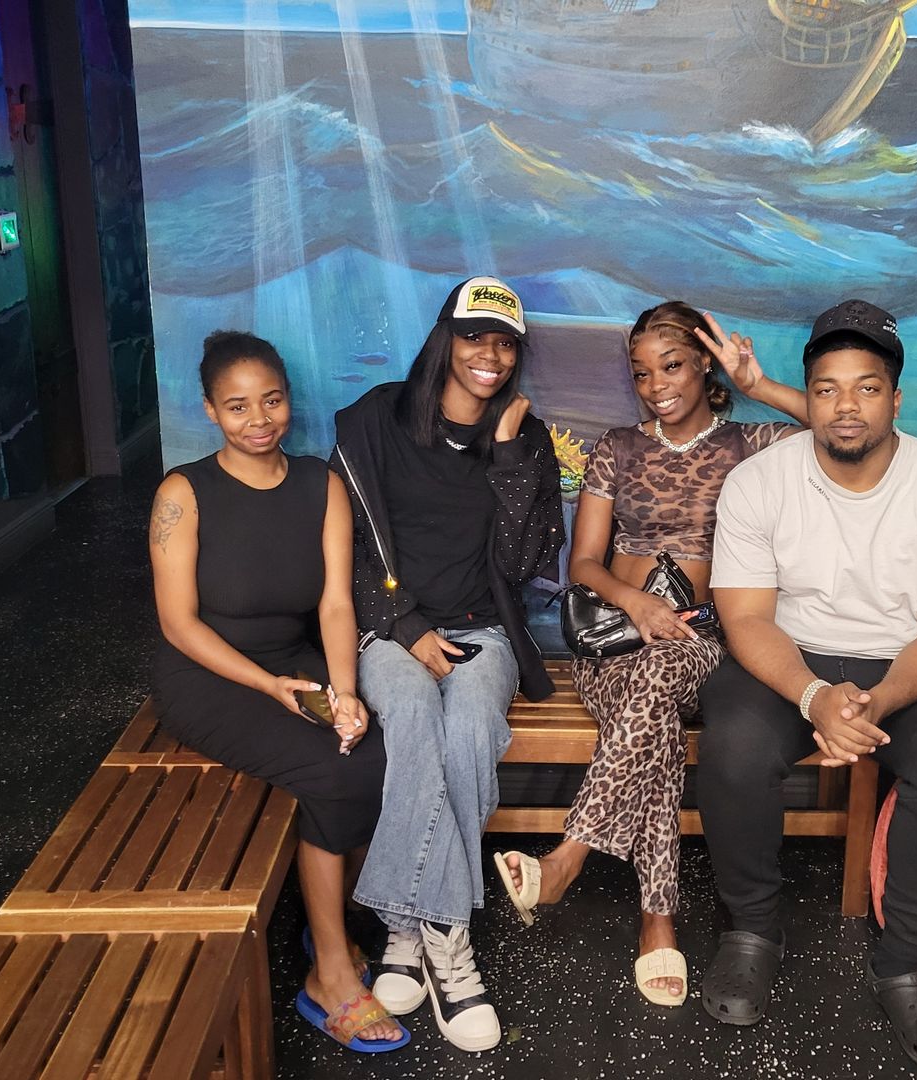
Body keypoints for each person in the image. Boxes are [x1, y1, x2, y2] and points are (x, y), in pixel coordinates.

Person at [698, 300, 917, 1067]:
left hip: (906, 664)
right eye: (827, 388)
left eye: (866, 388)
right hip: (790, 656)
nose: (845, 406)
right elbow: (746, 618)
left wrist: (874, 704)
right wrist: (813, 698)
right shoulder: (757, 483)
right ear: (809, 397)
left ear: (895, 399)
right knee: (733, 742)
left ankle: (904, 960)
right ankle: (752, 930)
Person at [491, 301, 808, 1008]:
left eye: (672, 366)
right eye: (641, 373)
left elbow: (845, 430)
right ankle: (657, 922)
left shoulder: (750, 443)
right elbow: (585, 563)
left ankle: (568, 858)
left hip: (700, 644)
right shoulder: (617, 448)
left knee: (664, 671)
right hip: (611, 643)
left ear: (704, 366)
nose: (656, 385)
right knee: (653, 717)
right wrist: (636, 604)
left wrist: (757, 384)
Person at [148, 331, 406, 1053]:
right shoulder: (182, 494)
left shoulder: (321, 485)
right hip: (208, 674)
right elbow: (177, 622)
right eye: (237, 406)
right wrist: (269, 687)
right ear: (210, 411)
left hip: (295, 658)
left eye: (272, 400)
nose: (258, 419)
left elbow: (334, 604)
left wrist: (345, 693)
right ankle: (330, 974)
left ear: (289, 398)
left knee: (372, 751)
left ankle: (329, 925)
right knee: (332, 770)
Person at [331, 276, 565, 1053]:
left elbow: (524, 565)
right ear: (446, 339)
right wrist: (403, 623)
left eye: (505, 343)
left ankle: (410, 929)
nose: (489, 355)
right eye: (474, 337)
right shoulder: (377, 419)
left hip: (485, 633)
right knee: (413, 715)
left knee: (468, 727)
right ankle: (447, 945)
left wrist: (511, 458)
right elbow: (346, 543)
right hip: (389, 631)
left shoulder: (526, 438)